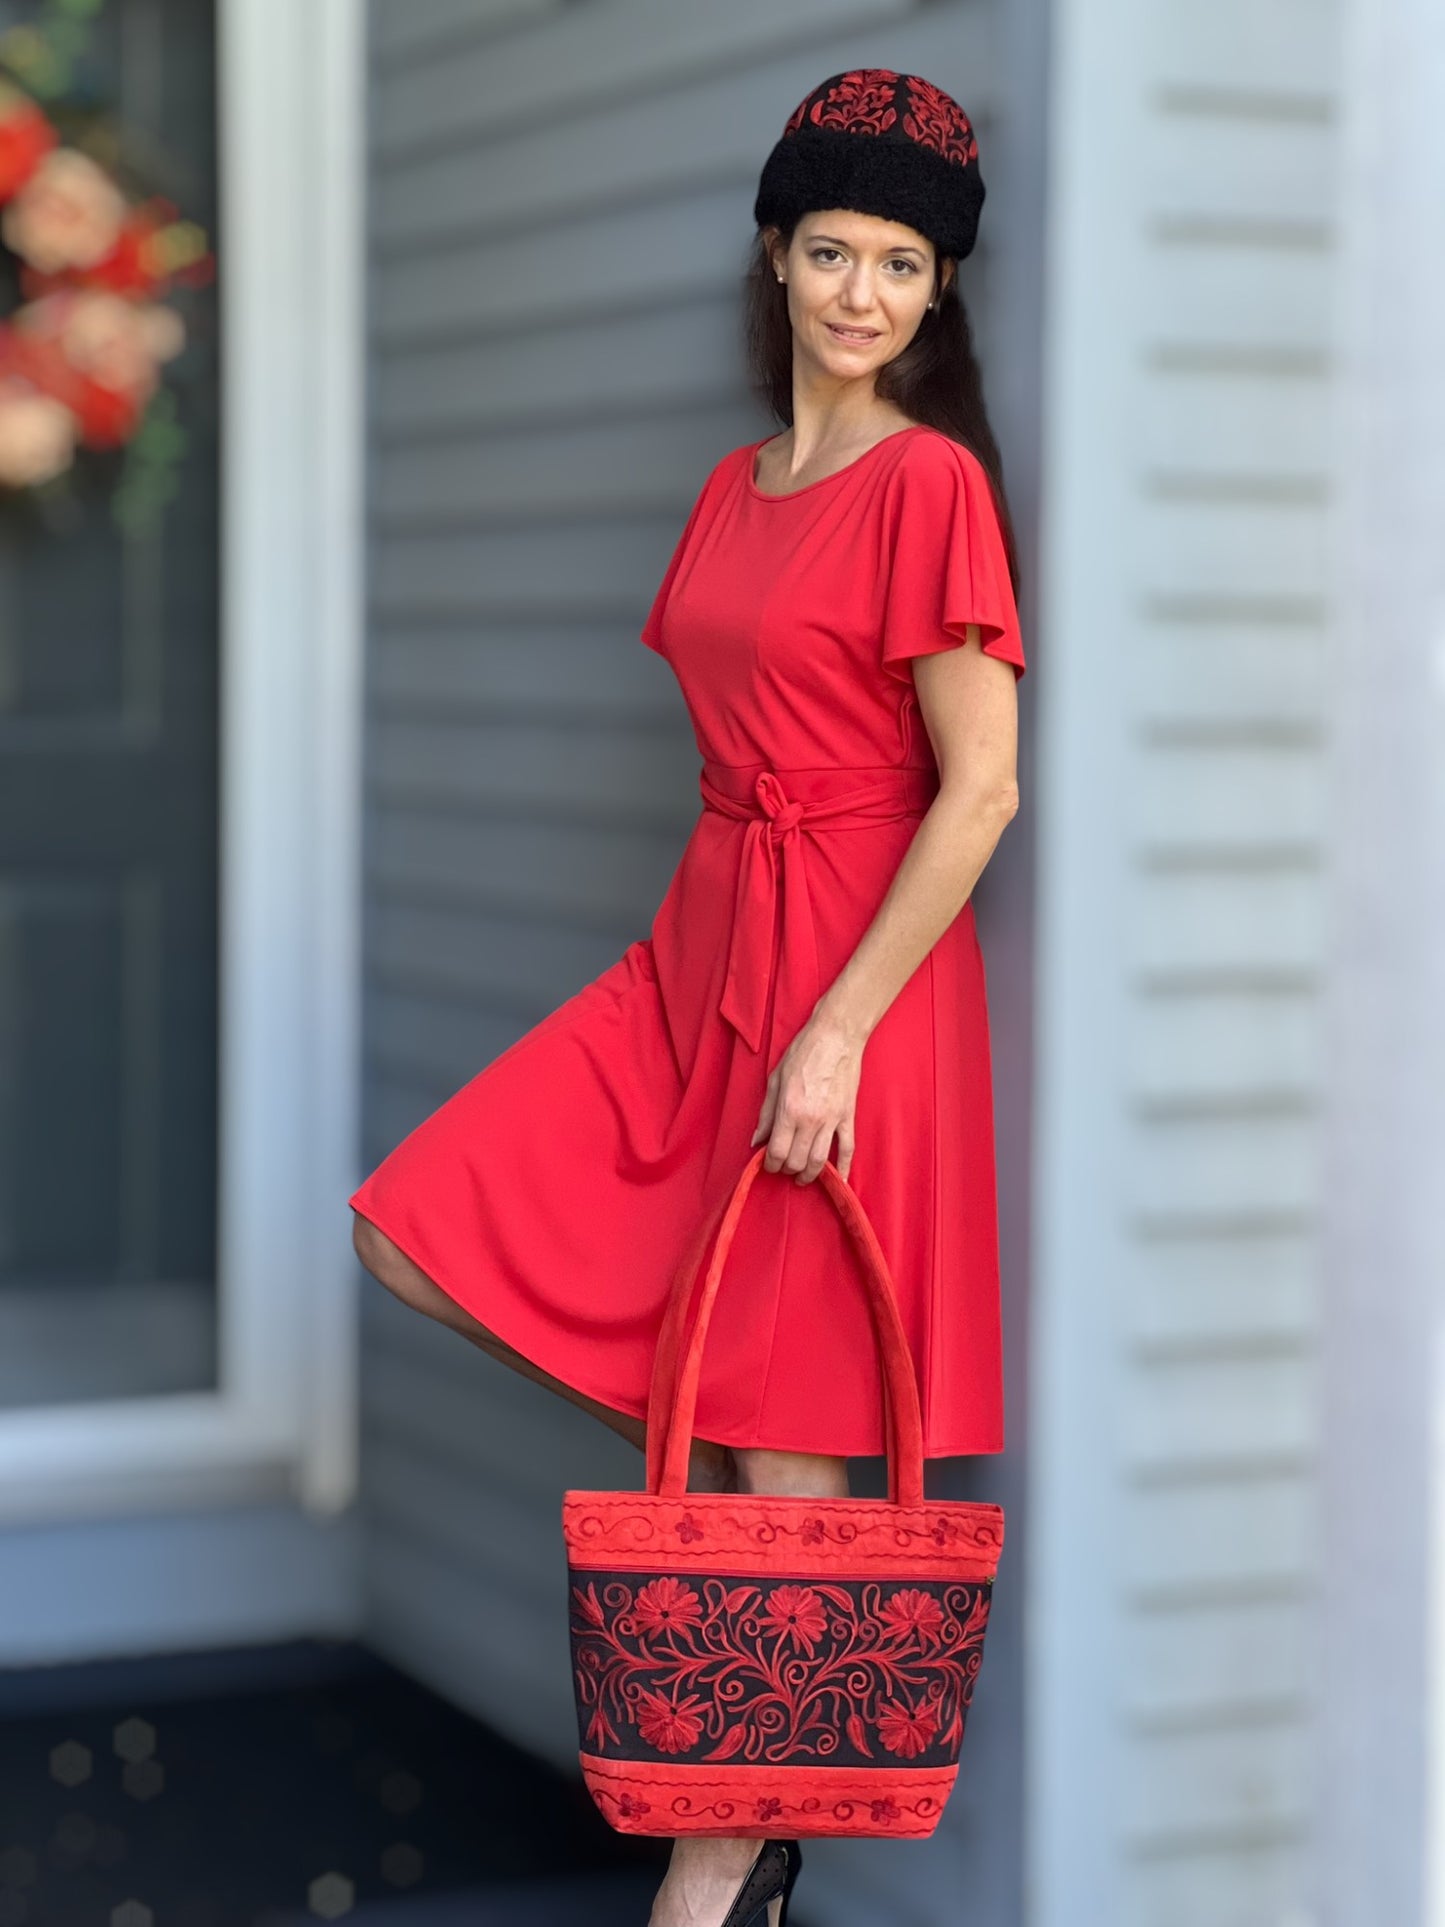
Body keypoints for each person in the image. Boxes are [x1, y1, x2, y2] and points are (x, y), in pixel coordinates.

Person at [350, 65, 1024, 1927]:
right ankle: (738, 1571)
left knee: (792, 1458)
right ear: (776, 255)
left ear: (938, 293)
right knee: (424, 1235)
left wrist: (835, 1030)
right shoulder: (741, 485)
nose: (864, 293)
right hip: (705, 937)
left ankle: (718, 1878)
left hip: (853, 991)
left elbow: (978, 787)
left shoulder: (931, 483)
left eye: (904, 262)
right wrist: (725, 975)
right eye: (832, 250)